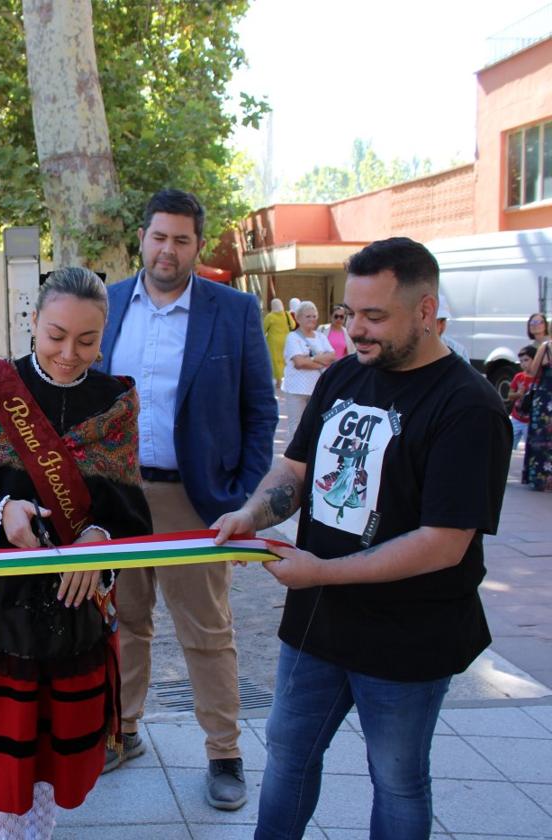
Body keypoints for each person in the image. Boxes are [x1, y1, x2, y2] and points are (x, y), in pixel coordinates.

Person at [214, 236, 511, 840]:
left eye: (376, 316)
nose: (355, 331)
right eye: (350, 314)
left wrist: (320, 571)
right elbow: (295, 471)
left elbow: (442, 543)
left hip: (411, 635)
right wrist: (252, 513)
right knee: (289, 754)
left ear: (426, 311)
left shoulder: (470, 407)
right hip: (317, 623)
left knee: (397, 779)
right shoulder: (346, 373)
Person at [0, 267, 152, 840]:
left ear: (104, 335)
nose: (69, 352)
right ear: (32, 321)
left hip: (75, 604)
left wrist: (98, 544)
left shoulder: (116, 404)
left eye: (87, 340)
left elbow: (130, 515)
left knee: (47, 758)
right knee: (3, 757)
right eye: (56, 334)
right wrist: (0, 515)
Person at [97, 188, 277, 810]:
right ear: (142, 238)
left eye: (181, 238)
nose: (167, 249)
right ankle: (122, 732)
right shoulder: (111, 302)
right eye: (158, 236)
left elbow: (261, 410)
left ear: (198, 245)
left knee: (207, 630)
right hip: (118, 499)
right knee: (124, 623)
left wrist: (240, 493)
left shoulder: (232, 311)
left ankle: (224, 753)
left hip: (194, 502)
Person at [281, 301, 336, 440]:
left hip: (317, 388)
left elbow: (332, 356)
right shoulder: (292, 337)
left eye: (314, 316)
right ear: (298, 318)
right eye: (308, 316)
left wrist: (310, 359)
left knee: (315, 424)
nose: (312, 319)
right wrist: (319, 360)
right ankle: (294, 457)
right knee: (297, 425)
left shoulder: (321, 337)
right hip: (296, 389)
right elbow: (299, 363)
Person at [524, 330, 552, 491]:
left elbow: (532, 372)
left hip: (544, 399)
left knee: (540, 439)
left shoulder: (546, 347)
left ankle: (539, 478)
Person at [507, 344, 537, 451]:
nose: (523, 364)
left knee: (530, 448)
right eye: (521, 361)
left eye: (526, 360)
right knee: (510, 444)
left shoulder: (538, 378)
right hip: (516, 418)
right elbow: (509, 395)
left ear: (535, 360)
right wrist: (518, 394)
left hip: (530, 420)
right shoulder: (519, 377)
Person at [262, 298, 293, 388]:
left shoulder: (270, 316)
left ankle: (279, 381)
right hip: (286, 340)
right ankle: (286, 379)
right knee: (285, 360)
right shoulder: (287, 314)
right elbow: (293, 325)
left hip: (274, 342)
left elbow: (263, 328)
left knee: (275, 361)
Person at [435, 294, 469, 361]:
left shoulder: (458, 350)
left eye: (443, 320)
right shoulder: (413, 349)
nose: (441, 327)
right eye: (435, 321)